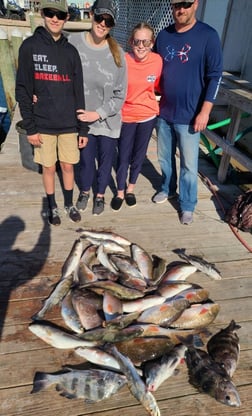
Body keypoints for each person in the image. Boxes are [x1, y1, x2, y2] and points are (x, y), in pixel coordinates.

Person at [15, 0, 88, 226]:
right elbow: (23, 89)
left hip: (68, 124)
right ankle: (52, 205)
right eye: (50, 13)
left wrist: (82, 127)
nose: (54, 18)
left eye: (59, 14)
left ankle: (68, 203)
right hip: (43, 123)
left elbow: (79, 91)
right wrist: (30, 127)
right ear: (42, 13)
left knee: (67, 166)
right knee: (48, 167)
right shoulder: (29, 47)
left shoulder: (71, 51)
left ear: (66, 17)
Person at [153, 0, 223, 225]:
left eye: (184, 4)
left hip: (191, 116)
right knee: (164, 158)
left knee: (189, 165)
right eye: (175, 5)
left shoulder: (208, 36)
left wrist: (205, 112)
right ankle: (167, 188)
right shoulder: (163, 36)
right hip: (164, 112)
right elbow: (152, 69)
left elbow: (215, 76)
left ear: (196, 4)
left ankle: (187, 204)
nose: (179, 9)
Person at [68, 0, 127, 216]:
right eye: (100, 17)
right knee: (85, 161)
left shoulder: (118, 53)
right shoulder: (73, 42)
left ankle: (99, 195)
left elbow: (120, 94)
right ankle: (85, 191)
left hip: (108, 121)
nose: (102, 23)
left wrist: (99, 113)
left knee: (106, 161)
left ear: (112, 25)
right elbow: (62, 77)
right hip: (83, 121)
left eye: (108, 21)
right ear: (92, 14)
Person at [110, 22, 163, 211]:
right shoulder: (122, 60)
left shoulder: (158, 61)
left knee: (138, 156)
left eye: (146, 42)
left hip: (147, 116)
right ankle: (120, 191)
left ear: (152, 43)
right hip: (125, 116)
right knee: (123, 155)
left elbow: (158, 85)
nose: (141, 46)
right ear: (131, 42)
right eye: (137, 41)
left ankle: (131, 188)